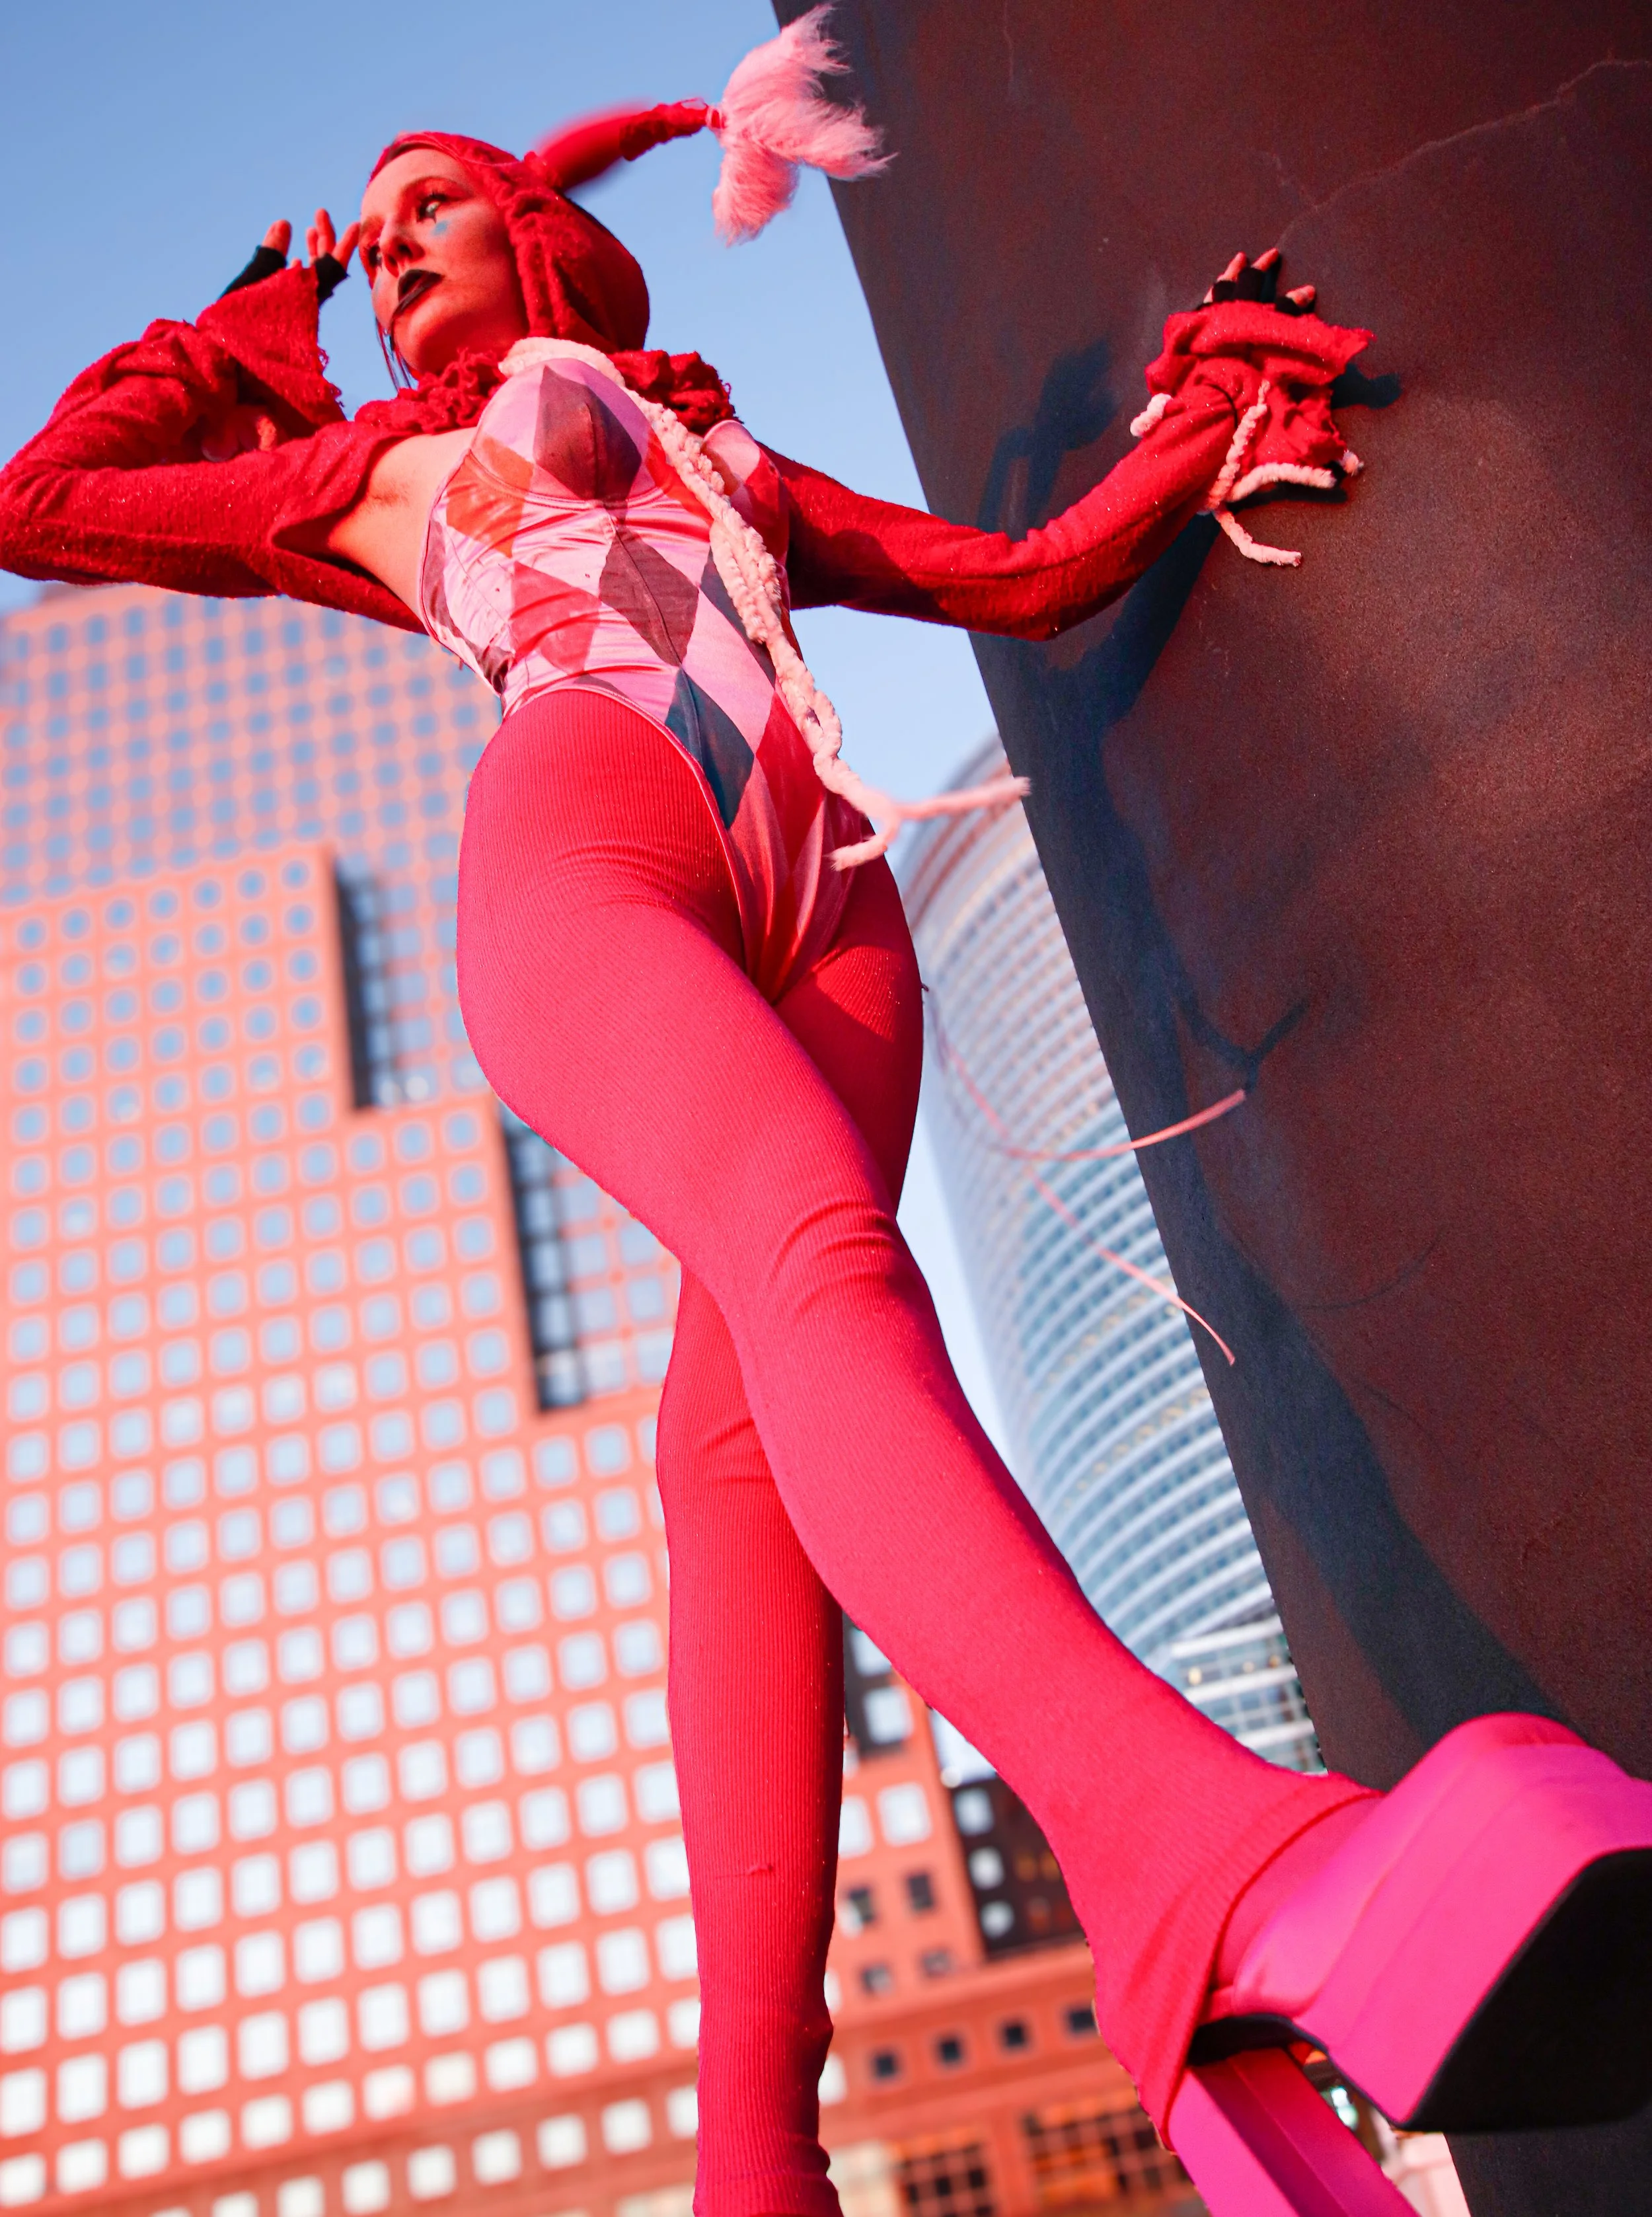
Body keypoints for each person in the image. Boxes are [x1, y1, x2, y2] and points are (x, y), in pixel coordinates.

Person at [3, 17, 1649, 2214]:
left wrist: (1191, 434)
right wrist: (241, 315)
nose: (392, 251)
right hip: (592, 852)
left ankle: (753, 2162)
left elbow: (1021, 572)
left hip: (830, 893)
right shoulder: (361, 469)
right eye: (373, 237)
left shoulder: (728, 462)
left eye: (431, 210)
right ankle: (1210, 1878)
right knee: (822, 1274)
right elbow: (41, 502)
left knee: (748, 1459)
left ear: (538, 231)